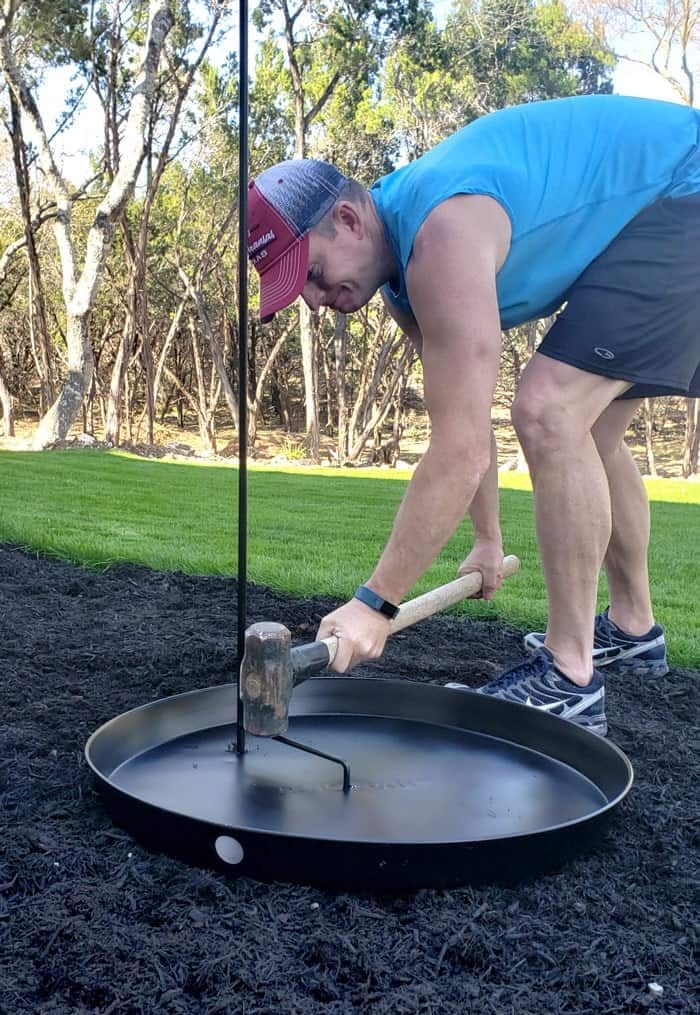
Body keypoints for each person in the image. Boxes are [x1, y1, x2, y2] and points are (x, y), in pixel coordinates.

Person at [247, 94, 700, 736]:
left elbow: (459, 454)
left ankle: (569, 674)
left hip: (685, 190)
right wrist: (487, 541)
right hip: (657, 211)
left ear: (348, 219)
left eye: (313, 274)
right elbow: (463, 423)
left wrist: (376, 603)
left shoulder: (441, 232)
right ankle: (632, 630)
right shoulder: (404, 276)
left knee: (549, 409)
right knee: (590, 430)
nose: (316, 302)